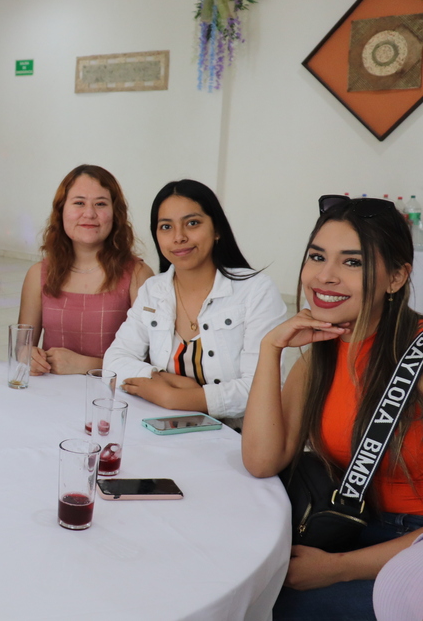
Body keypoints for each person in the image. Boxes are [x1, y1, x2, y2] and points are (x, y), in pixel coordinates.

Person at [241, 196, 423, 619]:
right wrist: (271, 348)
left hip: (409, 549)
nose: (325, 276)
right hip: (347, 525)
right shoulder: (319, 355)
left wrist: (338, 569)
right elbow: (261, 460)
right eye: (317, 256)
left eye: (352, 262)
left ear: (396, 278)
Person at [103, 179, 286, 423]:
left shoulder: (256, 291)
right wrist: (161, 379)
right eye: (166, 227)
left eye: (192, 223)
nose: (179, 237)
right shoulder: (153, 290)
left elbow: (263, 389)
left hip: (238, 441)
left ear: (217, 229)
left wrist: (173, 397)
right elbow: (114, 361)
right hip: (166, 432)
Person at [18, 165, 152, 375]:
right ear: (61, 211)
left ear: (115, 214)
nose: (89, 214)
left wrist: (88, 366)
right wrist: (29, 357)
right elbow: (21, 349)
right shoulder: (38, 274)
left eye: (100, 204)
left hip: (112, 398)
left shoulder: (138, 275)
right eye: (79, 203)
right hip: (48, 395)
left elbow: (149, 363)